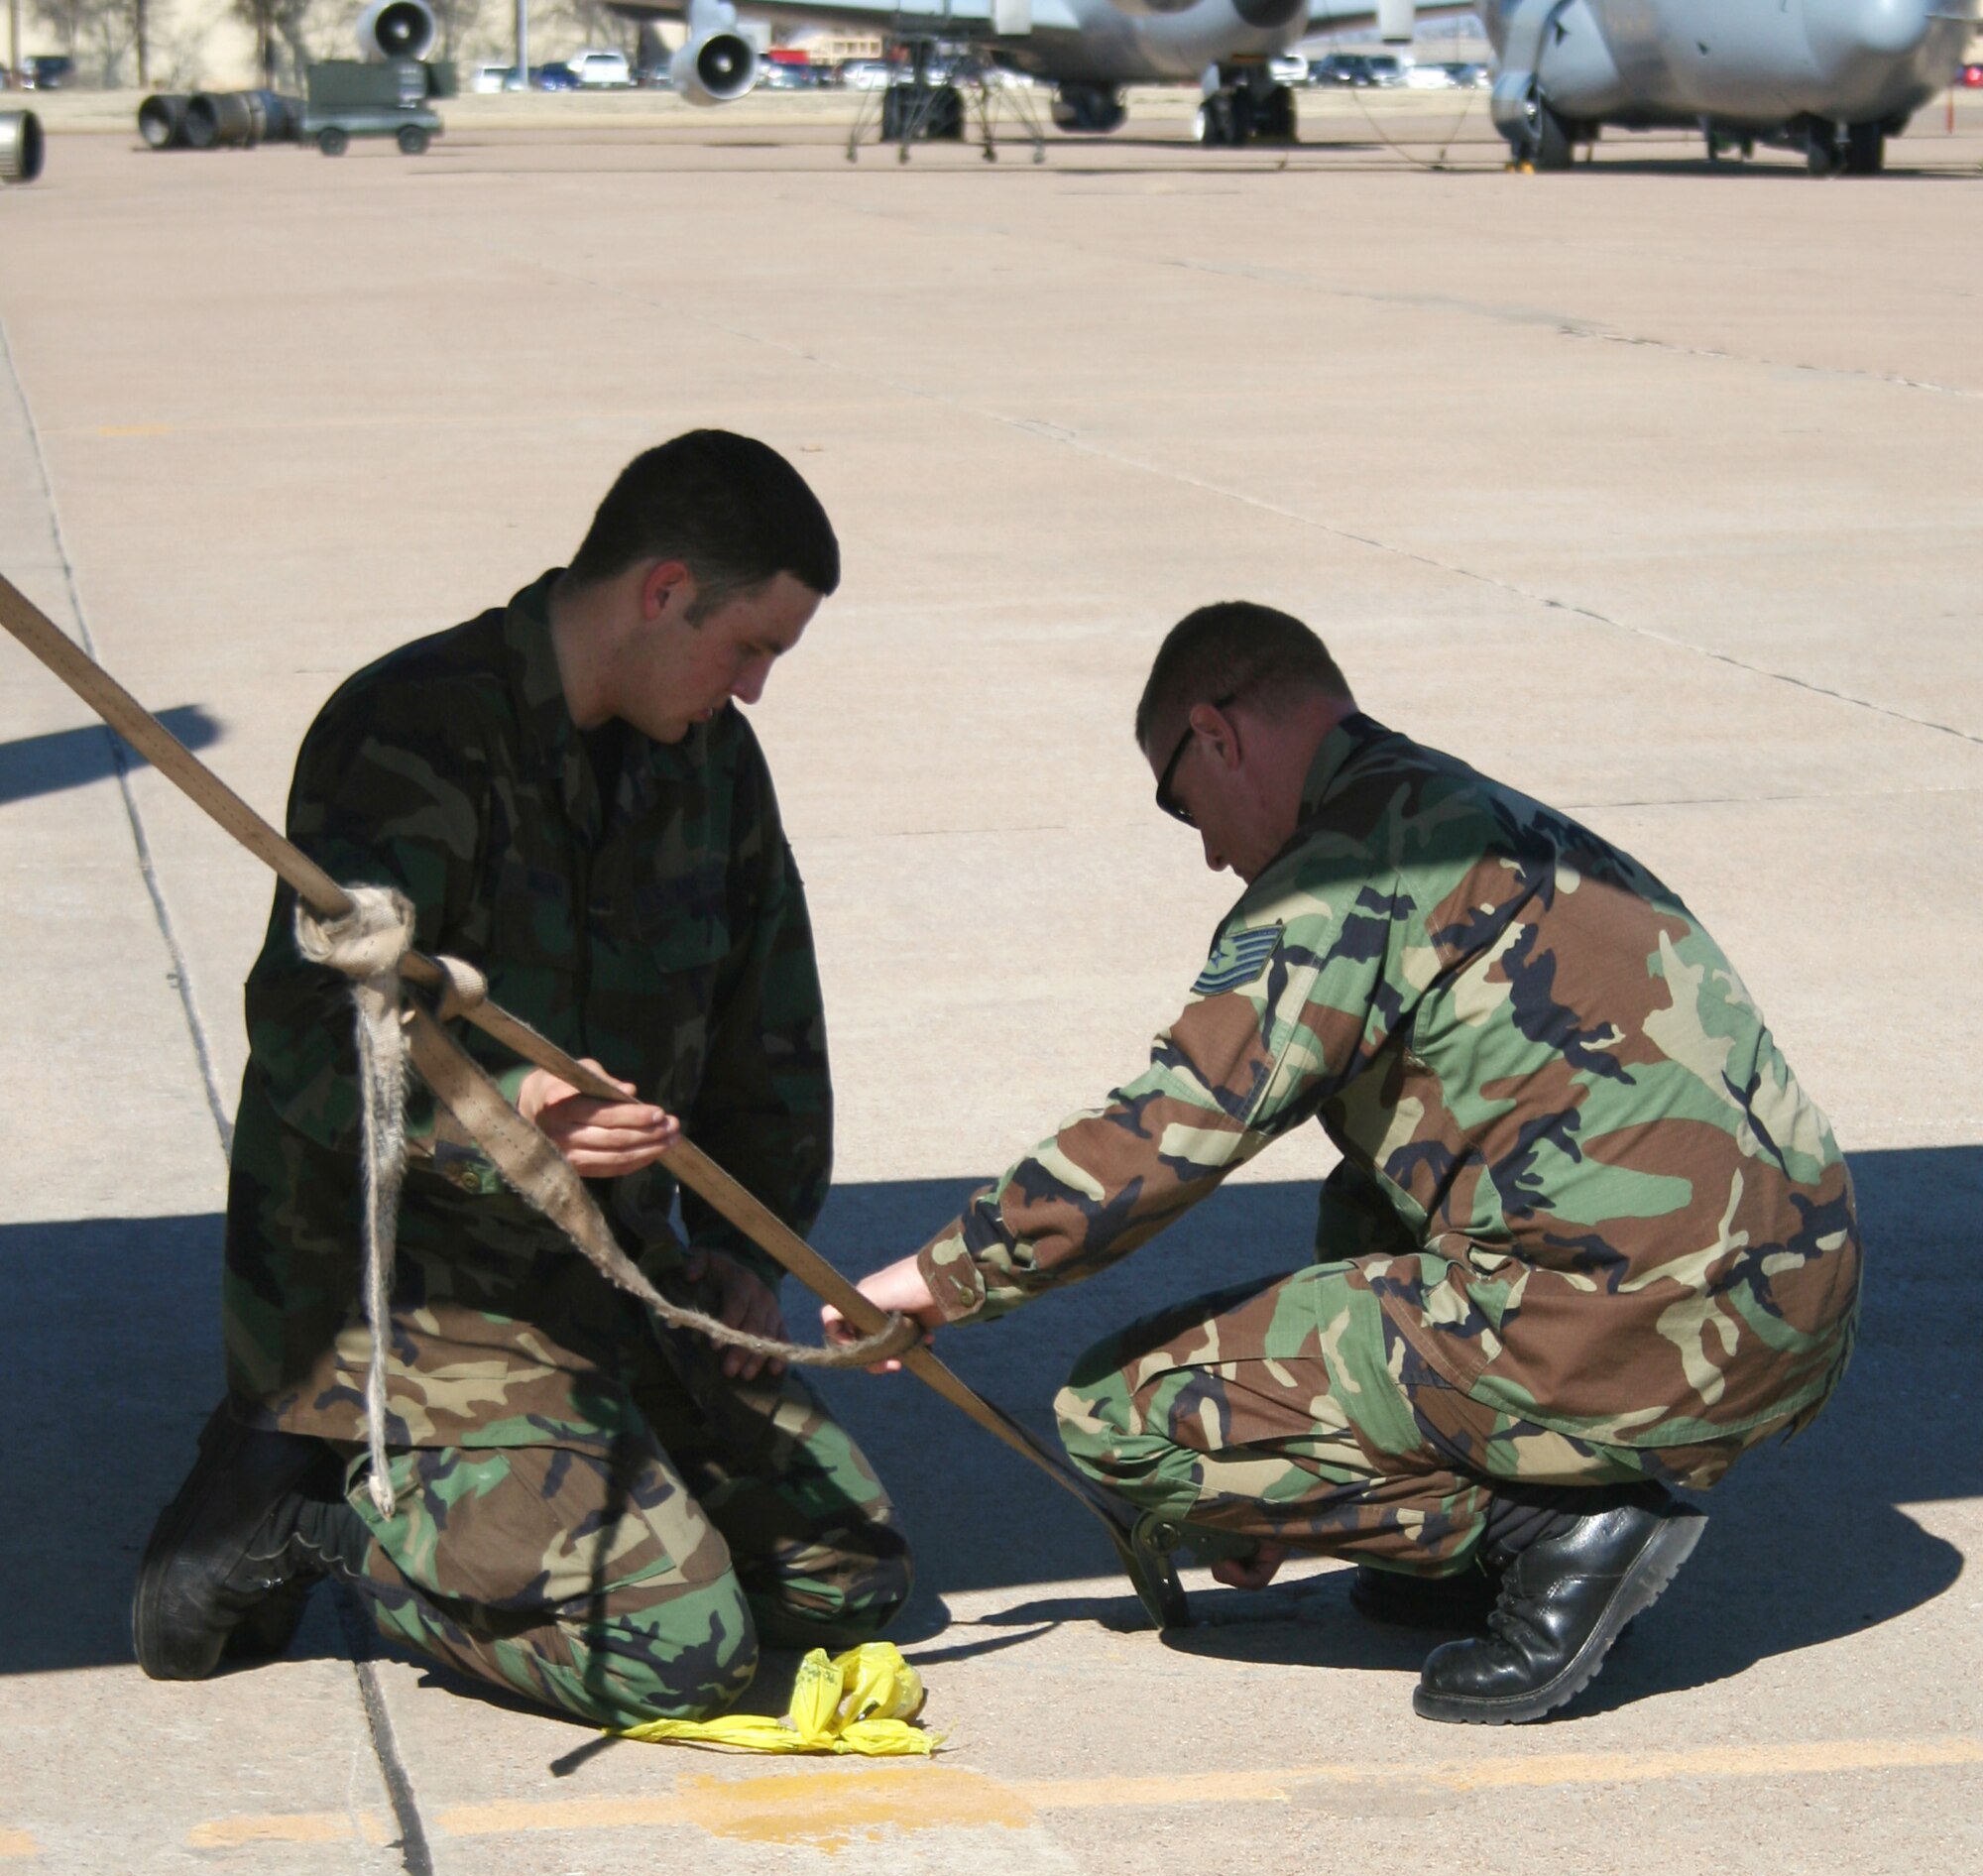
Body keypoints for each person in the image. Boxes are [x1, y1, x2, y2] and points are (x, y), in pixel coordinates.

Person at [830, 601, 1858, 1725]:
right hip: (1793, 1306)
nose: (1210, 849)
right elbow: (1382, 1195)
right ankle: (1474, 1542)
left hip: (1644, 1326)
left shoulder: (1339, 876)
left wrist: (940, 1276)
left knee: (1115, 1414)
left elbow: (1172, 1127)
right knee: (1367, 1187)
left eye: (1184, 807)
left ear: (1216, 734)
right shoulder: (1478, 815)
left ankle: (1562, 1531)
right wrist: (1308, 1456)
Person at [135, 431, 911, 1727]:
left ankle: (538, 1497)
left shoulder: (707, 760)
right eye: (752, 648)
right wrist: (506, 1118)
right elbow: (310, 1040)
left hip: (607, 1279)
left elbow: (768, 1030)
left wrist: (737, 1253)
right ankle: (305, 1507)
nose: (759, 688)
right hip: (402, 1302)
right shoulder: (411, 735)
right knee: (680, 1648)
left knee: (847, 1576)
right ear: (664, 591)